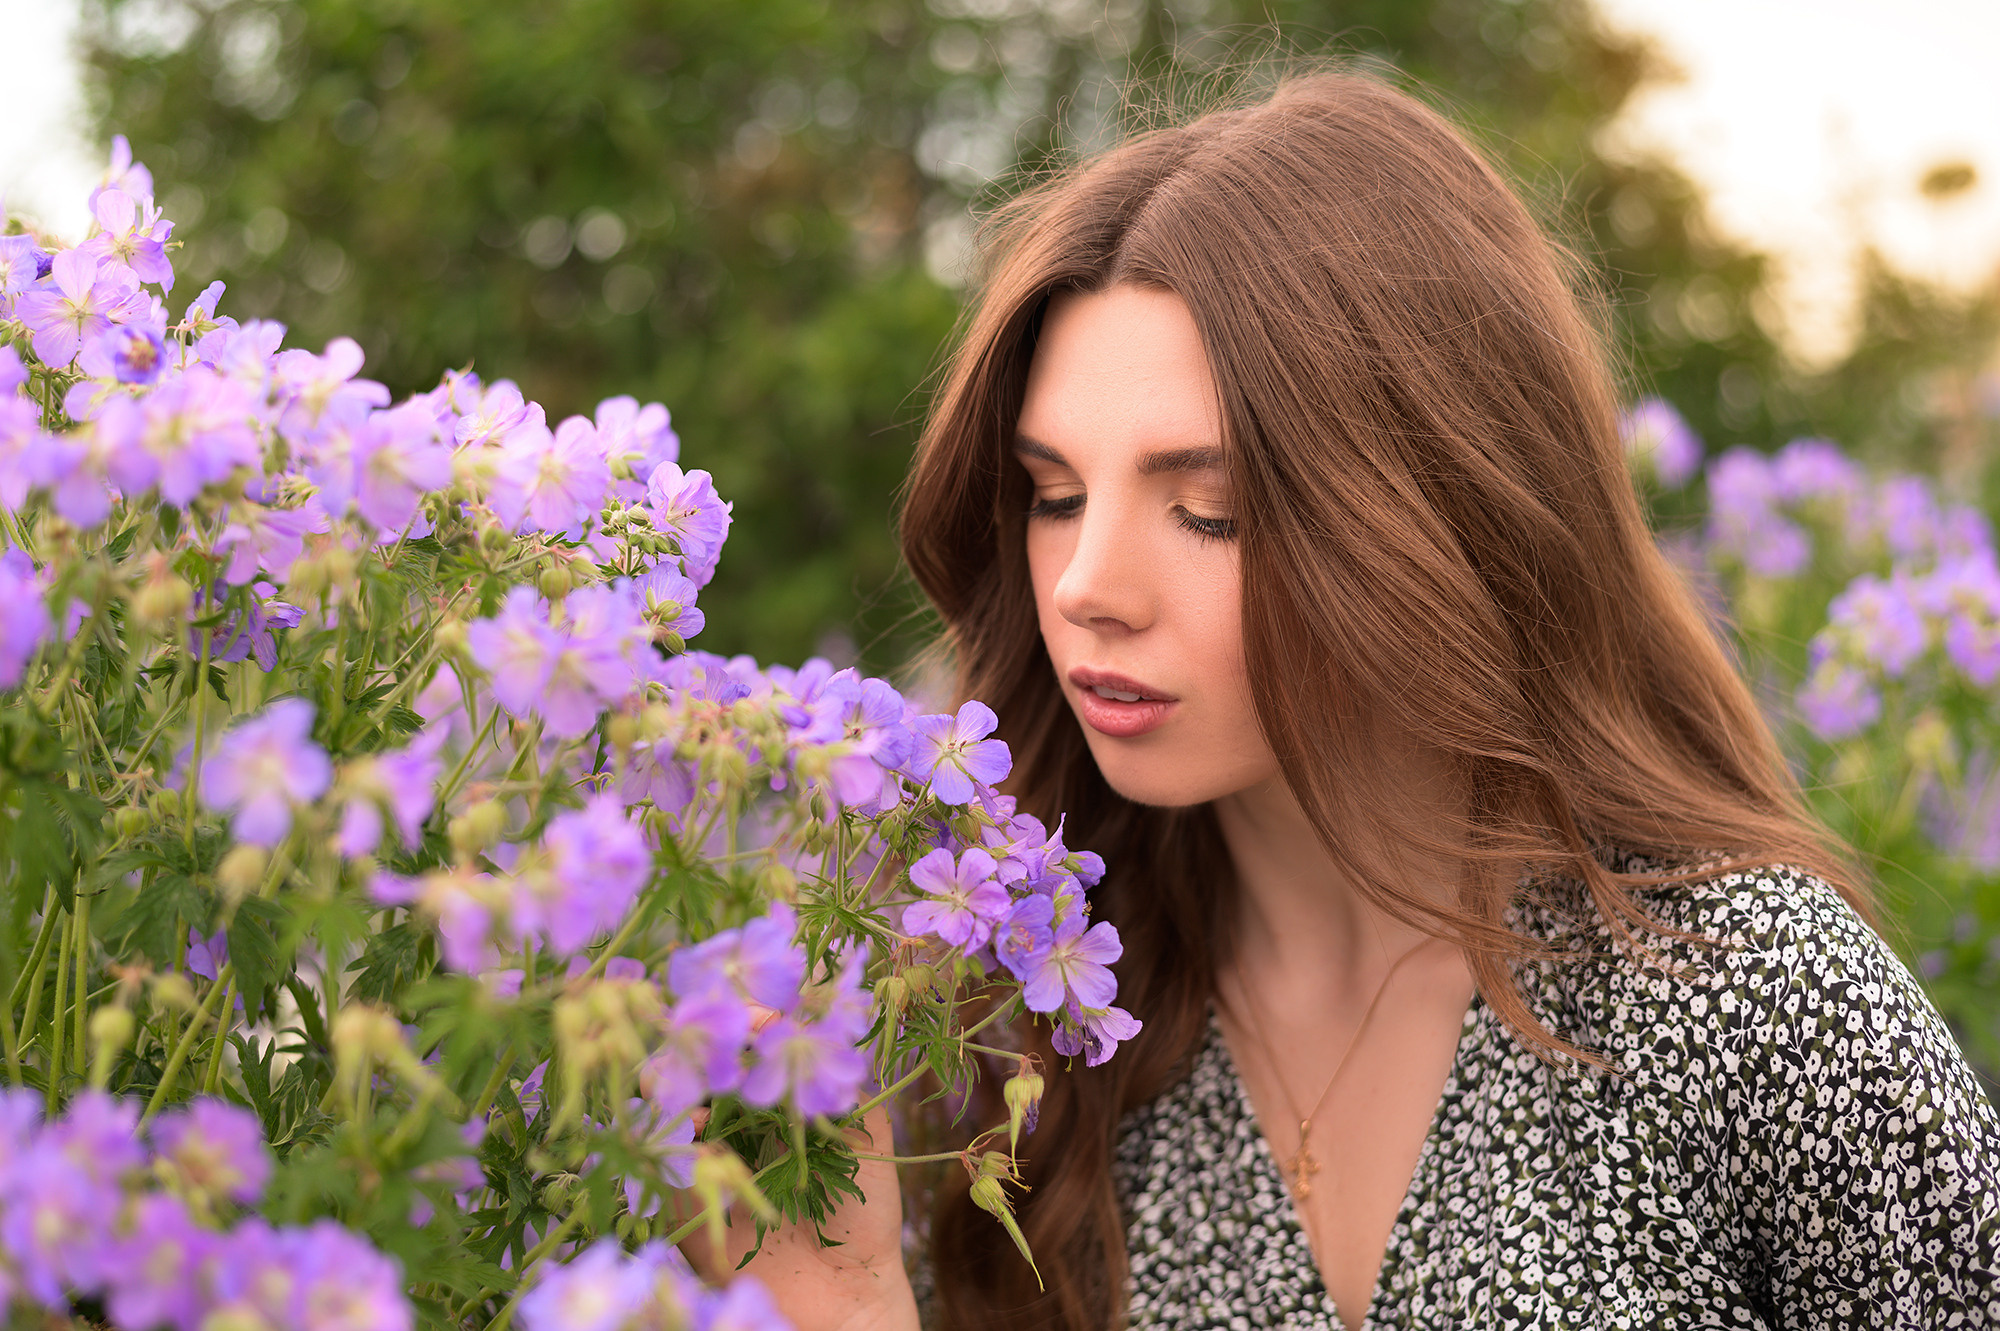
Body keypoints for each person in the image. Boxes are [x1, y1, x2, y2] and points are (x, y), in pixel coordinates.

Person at [688, 69, 2000, 1329]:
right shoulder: (1006, 1036)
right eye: (1054, 496)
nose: (1089, 584)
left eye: (1209, 511)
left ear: (1433, 510)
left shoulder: (1756, 1001)